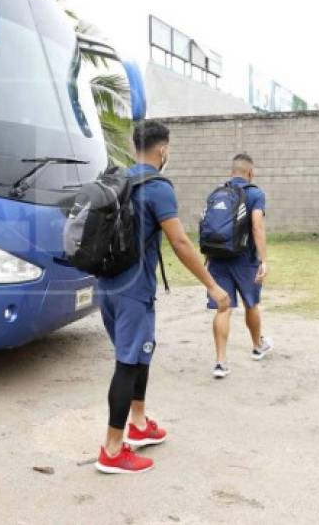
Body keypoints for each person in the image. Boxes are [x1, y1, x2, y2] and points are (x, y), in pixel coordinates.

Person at [95, 121, 230, 474]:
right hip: (133, 291)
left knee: (139, 354)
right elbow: (181, 242)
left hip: (106, 285)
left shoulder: (118, 179)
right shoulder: (157, 187)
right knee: (127, 363)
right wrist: (212, 286)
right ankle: (112, 450)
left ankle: (138, 425)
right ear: (162, 150)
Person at [207, 154, 272, 379]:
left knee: (223, 308)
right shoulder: (255, 193)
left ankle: (220, 362)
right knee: (251, 303)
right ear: (250, 173)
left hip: (216, 258)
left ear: (231, 171)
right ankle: (257, 346)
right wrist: (264, 259)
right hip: (245, 260)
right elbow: (257, 226)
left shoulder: (216, 193)